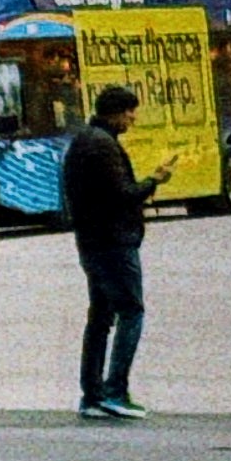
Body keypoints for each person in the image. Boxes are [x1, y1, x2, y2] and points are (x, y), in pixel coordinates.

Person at [64, 82, 161, 423]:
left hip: (92, 243)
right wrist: (154, 181)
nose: (133, 118)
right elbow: (121, 195)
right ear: (117, 113)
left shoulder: (83, 141)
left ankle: (92, 395)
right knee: (131, 311)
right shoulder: (102, 146)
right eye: (130, 112)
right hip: (112, 243)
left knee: (101, 318)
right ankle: (115, 390)